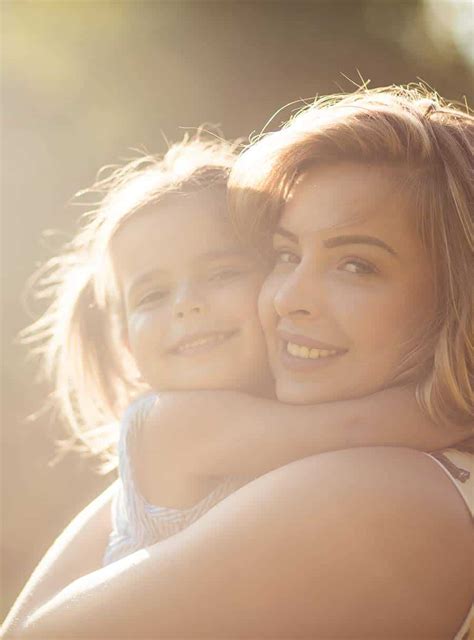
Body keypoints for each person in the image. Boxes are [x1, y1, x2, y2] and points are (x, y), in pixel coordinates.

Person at [3, 86, 473, 638]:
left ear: (455, 292)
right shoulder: (182, 425)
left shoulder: (385, 488)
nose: (288, 297)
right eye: (285, 255)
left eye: (355, 265)